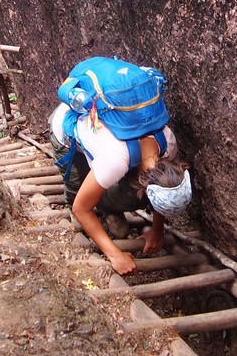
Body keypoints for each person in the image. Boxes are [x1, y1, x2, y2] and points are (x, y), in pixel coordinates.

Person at [49, 102, 192, 275]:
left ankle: (107, 207)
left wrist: (157, 230)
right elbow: (81, 208)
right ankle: (96, 206)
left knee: (119, 189)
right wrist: (115, 255)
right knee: (76, 190)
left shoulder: (168, 145)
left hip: (107, 136)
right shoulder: (115, 160)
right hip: (67, 128)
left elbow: (162, 188)